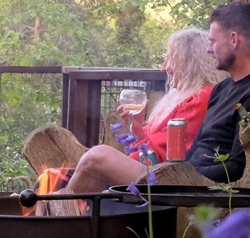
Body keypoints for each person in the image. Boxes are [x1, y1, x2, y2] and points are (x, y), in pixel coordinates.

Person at [66, 28, 225, 194]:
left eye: (170, 59)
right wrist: (137, 129)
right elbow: (148, 152)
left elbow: (166, 155)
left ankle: (57, 207)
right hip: (155, 171)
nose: (164, 68)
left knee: (98, 155)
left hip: (170, 179)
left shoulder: (202, 97)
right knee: (55, 175)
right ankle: (56, 209)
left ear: (190, 62)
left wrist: (118, 163)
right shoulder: (181, 97)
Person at [185, 1, 250, 182]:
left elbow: (239, 167)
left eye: (213, 41)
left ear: (234, 40)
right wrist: (175, 171)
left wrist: (187, 178)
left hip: (205, 193)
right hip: (183, 181)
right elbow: (195, 150)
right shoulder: (221, 89)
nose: (208, 49)